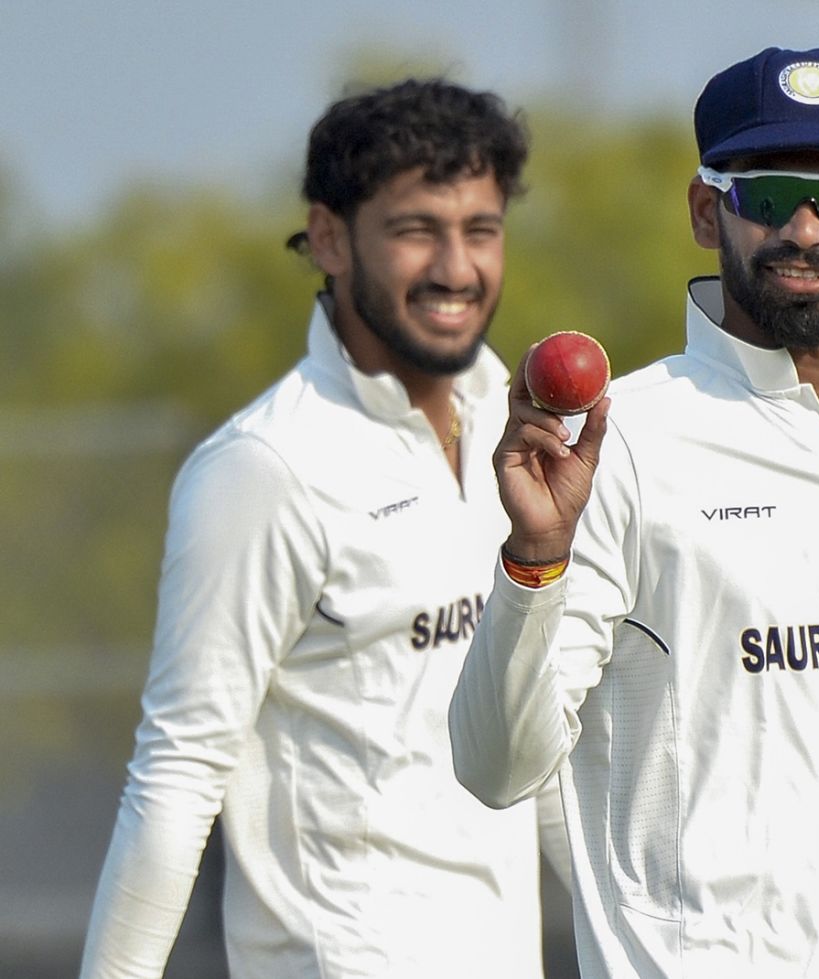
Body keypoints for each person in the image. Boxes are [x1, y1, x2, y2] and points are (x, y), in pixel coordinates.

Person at [449, 46, 819, 977]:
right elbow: (495, 767)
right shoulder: (622, 442)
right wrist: (532, 560)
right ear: (709, 211)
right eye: (769, 193)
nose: (805, 228)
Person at [80, 77, 568, 979]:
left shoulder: (513, 429)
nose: (457, 267)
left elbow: (535, 757)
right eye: (417, 228)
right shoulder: (263, 468)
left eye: (481, 229)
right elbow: (177, 779)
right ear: (333, 238)